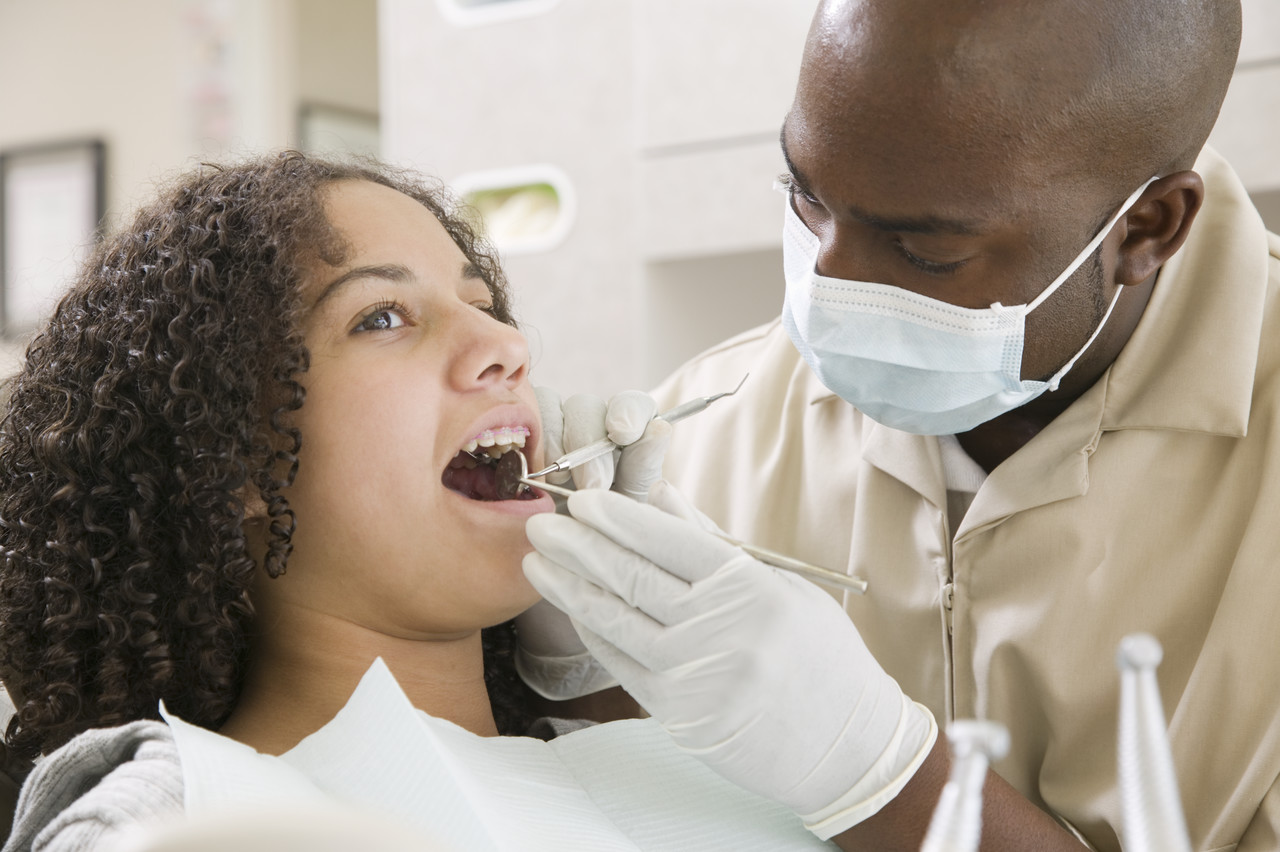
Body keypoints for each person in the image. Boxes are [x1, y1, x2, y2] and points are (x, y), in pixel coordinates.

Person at [519, 0, 1280, 850]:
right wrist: (585, 670)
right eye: (805, 199)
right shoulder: (716, 417)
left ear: (1146, 228)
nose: (829, 286)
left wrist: (882, 776)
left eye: (924, 253)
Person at [0, 152, 713, 851]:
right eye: (381, 317)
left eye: (482, 304)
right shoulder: (172, 817)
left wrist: (605, 683)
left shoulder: (665, 768)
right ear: (235, 458)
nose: (505, 343)